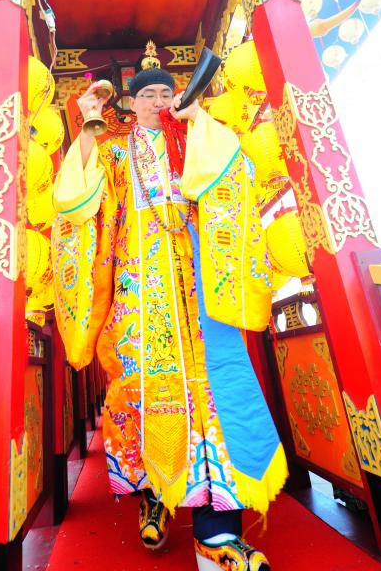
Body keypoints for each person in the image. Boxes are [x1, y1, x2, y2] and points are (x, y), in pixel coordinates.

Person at [52, 44, 288, 571]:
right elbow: (76, 203)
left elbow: (235, 178)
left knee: (211, 397)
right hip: (138, 296)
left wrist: (196, 119)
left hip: (195, 291)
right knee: (138, 394)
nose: (159, 100)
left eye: (167, 92)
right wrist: (90, 122)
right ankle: (154, 495)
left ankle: (218, 535)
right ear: (132, 103)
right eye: (148, 94)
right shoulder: (113, 149)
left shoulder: (193, 138)